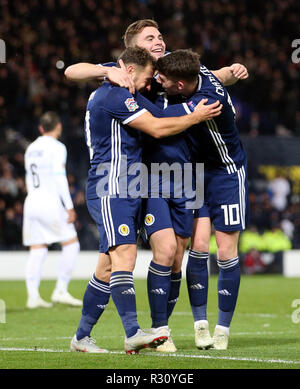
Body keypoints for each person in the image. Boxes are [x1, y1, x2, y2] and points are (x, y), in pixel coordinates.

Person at [65, 19, 248, 353]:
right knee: (145, 253)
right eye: (151, 37)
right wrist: (105, 71)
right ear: (131, 51)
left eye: (161, 35)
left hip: (182, 172)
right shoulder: (121, 77)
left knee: (177, 253)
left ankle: (154, 331)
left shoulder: (173, 67)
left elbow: (206, 79)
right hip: (142, 177)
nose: (160, 41)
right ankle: (151, 330)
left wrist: (229, 72)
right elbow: (72, 71)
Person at [155, 49, 250, 350]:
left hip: (226, 173)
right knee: (197, 247)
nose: (159, 82)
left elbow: (161, 118)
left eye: (164, 80)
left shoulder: (207, 102)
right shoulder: (198, 72)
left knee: (224, 252)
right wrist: (233, 71)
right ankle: (200, 326)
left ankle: (223, 328)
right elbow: (219, 74)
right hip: (195, 172)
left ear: (181, 85)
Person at [23, 112, 82, 309]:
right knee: (71, 244)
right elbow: (59, 177)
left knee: (37, 248)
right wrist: (69, 206)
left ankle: (33, 297)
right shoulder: (57, 147)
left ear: (41, 128)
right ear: (58, 126)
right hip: (49, 201)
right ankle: (61, 290)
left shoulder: (31, 148)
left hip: (31, 201)